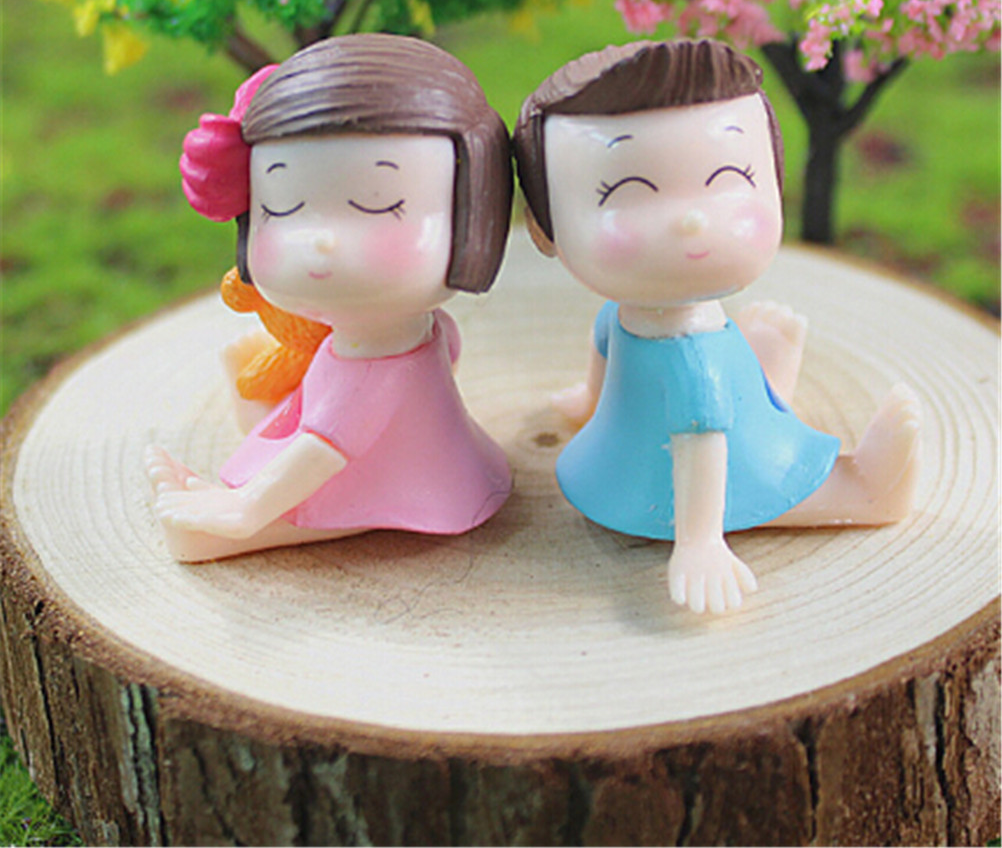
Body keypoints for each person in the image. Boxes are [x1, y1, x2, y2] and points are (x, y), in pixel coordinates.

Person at [513, 38, 921, 615]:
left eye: (729, 177)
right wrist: (590, 401)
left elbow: (702, 440)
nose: (690, 219)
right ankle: (770, 388)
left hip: (727, 462)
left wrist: (700, 541)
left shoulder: (692, 354)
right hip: (641, 461)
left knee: (768, 478)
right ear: (544, 225)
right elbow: (607, 346)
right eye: (626, 193)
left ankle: (868, 489)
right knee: (731, 414)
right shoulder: (636, 321)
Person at [146, 34, 513, 562]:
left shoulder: (374, 366)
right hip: (413, 454)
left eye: (378, 203)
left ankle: (207, 534)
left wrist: (245, 510)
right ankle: (222, 501)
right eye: (282, 206)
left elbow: (322, 452)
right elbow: (448, 350)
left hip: (399, 477)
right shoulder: (402, 338)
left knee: (319, 502)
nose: (321, 240)